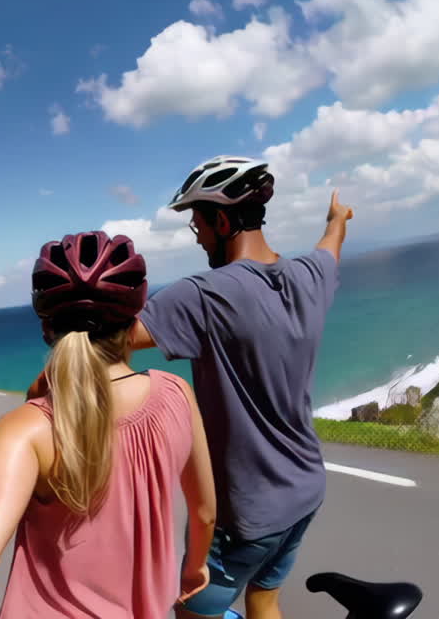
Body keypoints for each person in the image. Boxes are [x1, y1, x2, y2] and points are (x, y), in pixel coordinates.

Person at [28, 156, 354, 619]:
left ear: (222, 220)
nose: (197, 233)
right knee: (264, 598)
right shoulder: (309, 277)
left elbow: (103, 343)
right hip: (305, 489)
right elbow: (331, 246)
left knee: (189, 613)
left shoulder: (204, 294)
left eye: (197, 221)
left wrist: (40, 393)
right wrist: (337, 219)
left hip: (246, 511)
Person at [0, 231, 217, 619]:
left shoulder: (27, 429)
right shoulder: (176, 394)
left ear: (47, 329)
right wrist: (194, 568)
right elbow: (204, 513)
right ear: (135, 320)